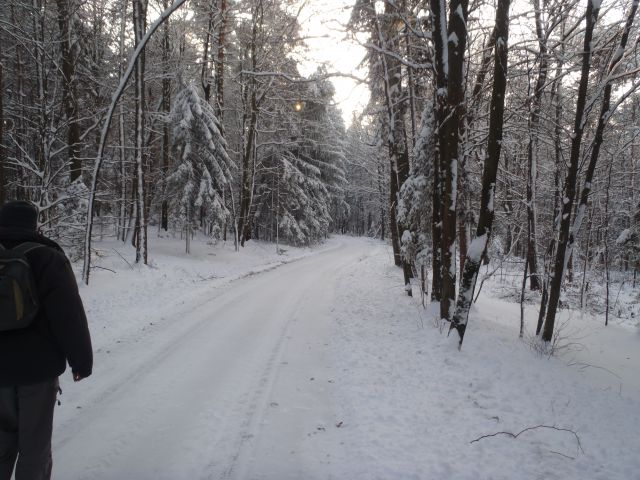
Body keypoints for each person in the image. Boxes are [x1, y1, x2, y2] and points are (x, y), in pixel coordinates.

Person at [0, 201, 93, 480]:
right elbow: (68, 315)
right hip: (37, 371)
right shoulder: (48, 257)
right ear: (34, 224)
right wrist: (81, 361)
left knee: (1, 444)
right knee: (35, 445)